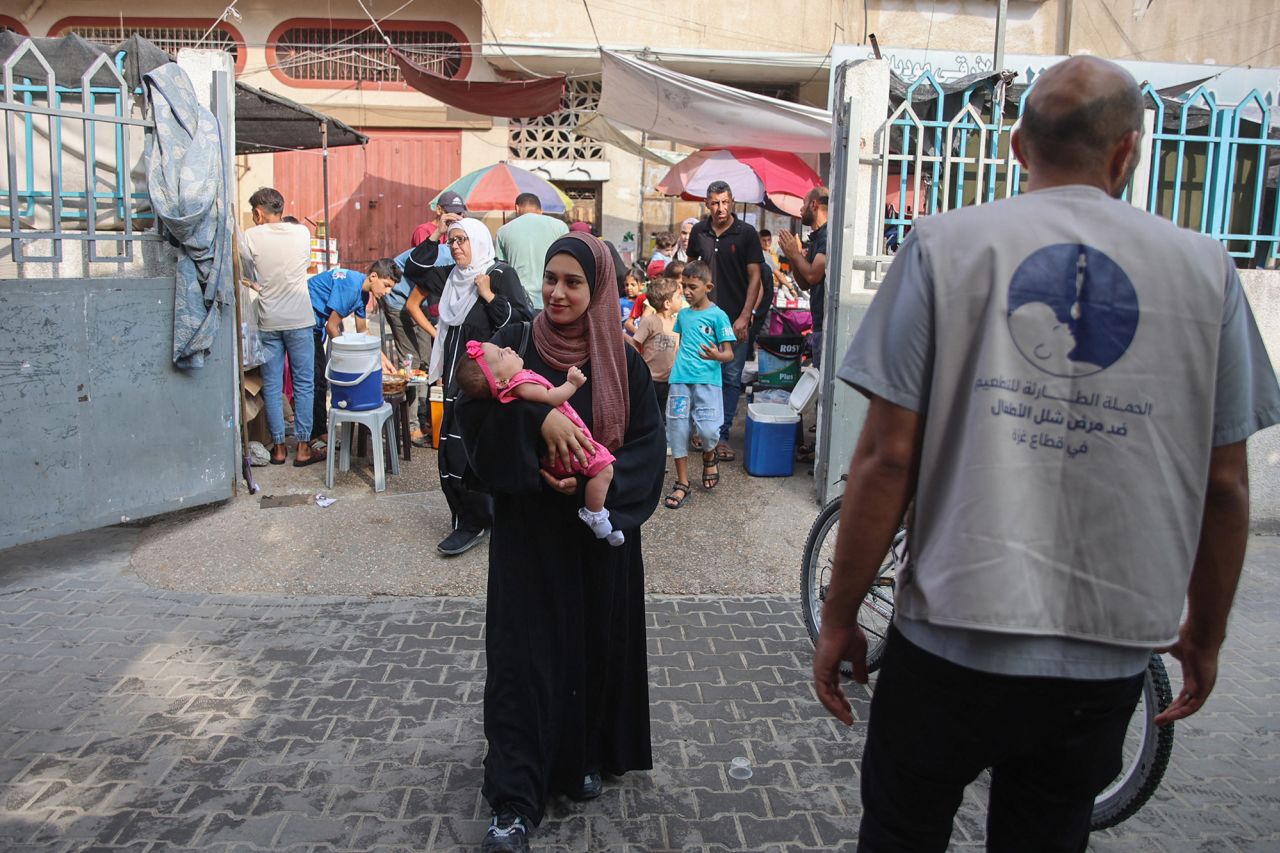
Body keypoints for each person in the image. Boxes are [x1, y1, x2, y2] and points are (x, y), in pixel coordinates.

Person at [812, 56, 1280, 853]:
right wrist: (1205, 629)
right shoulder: (1207, 271)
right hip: (1103, 656)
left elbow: (886, 460)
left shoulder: (942, 246)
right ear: (1127, 152)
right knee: (1047, 832)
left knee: (901, 830)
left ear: (1019, 146)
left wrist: (840, 615)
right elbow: (1227, 485)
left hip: (950, 639)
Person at [455, 232, 665, 853]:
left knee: (588, 654)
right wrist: (534, 419)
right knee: (524, 662)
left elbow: (647, 454)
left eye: (574, 281)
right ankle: (514, 801)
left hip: (596, 543)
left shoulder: (621, 362)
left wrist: (587, 489)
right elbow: (473, 415)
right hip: (529, 540)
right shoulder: (515, 343)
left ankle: (577, 760)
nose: (557, 292)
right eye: (550, 278)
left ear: (598, 289)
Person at [403, 217, 533, 556]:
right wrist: (433, 234)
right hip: (454, 381)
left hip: (485, 386)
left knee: (471, 451)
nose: (456, 245)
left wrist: (489, 295)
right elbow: (414, 270)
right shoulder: (451, 278)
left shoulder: (499, 274)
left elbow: (521, 323)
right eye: (452, 240)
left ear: (479, 241)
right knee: (448, 449)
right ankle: (465, 517)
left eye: (462, 239)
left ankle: (477, 520)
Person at [458, 340, 624, 546]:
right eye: (502, 353)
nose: (509, 347)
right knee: (603, 467)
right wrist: (543, 415)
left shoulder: (619, 352)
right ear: (500, 382)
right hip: (529, 521)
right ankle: (597, 516)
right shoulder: (520, 378)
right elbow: (548, 397)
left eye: (503, 348)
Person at [241, 187, 323, 467]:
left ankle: (278, 448)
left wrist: (256, 283)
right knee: (304, 385)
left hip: (269, 320)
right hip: (299, 319)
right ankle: (302, 448)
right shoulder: (301, 232)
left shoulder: (251, 236)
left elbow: (247, 271)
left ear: (258, 212)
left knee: (273, 386)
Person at [686, 181, 763, 462]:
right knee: (700, 375)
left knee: (730, 378)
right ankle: (700, 429)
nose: (721, 208)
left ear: (732, 202)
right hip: (702, 318)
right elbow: (691, 268)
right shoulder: (698, 232)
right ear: (707, 204)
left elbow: (755, 276)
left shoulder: (746, 234)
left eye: (725, 202)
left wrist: (745, 316)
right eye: (715, 203)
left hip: (734, 319)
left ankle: (721, 435)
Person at [662, 260, 735, 509]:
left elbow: (729, 354)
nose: (687, 292)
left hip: (708, 382)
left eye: (692, 286)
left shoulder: (718, 316)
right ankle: (682, 483)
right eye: (684, 286)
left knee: (708, 431)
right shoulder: (683, 315)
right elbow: (682, 344)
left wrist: (717, 356)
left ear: (708, 286)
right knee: (678, 430)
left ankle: (709, 453)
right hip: (680, 380)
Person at [307, 259, 401, 453]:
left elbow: (362, 331)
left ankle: (322, 433)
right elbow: (332, 327)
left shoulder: (363, 294)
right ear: (373, 276)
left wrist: (381, 358)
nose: (387, 292)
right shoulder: (351, 287)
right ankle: (312, 437)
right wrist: (351, 358)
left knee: (320, 382)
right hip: (306, 323)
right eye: (386, 285)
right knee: (315, 381)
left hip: (315, 325)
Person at [778, 187, 829, 368]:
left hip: (826, 325)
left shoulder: (827, 235)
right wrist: (793, 256)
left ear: (814, 205)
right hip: (818, 324)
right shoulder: (816, 237)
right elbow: (804, 283)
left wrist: (795, 254)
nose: (801, 210)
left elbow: (814, 275)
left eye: (804, 204)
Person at [496, 192, 569, 310]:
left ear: (517, 208)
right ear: (540, 210)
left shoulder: (503, 231)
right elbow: (568, 263)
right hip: (553, 298)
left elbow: (501, 269)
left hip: (518, 301)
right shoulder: (560, 227)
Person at [628, 275, 681, 424]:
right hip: (650, 379)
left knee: (664, 415)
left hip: (669, 380)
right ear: (667, 303)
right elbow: (636, 342)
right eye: (679, 296)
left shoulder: (677, 322)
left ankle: (661, 440)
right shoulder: (650, 321)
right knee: (647, 413)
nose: (681, 300)